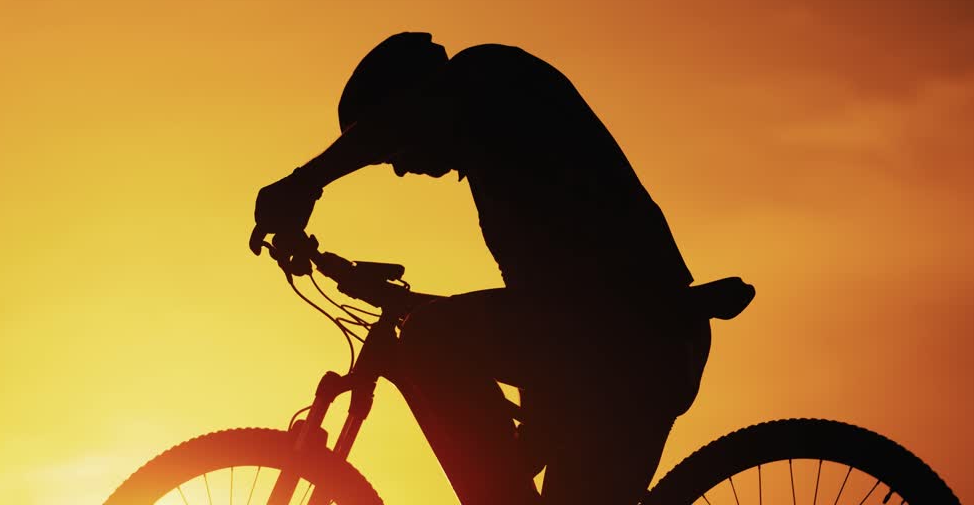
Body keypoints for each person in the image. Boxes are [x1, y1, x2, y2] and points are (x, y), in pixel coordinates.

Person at [249, 33, 710, 505]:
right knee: (437, 341)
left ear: (413, 99)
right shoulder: (500, 156)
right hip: (605, 346)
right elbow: (540, 311)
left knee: (431, 339)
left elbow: (396, 122)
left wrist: (304, 183)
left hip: (633, 338)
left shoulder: (488, 75)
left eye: (393, 152)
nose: (400, 169)